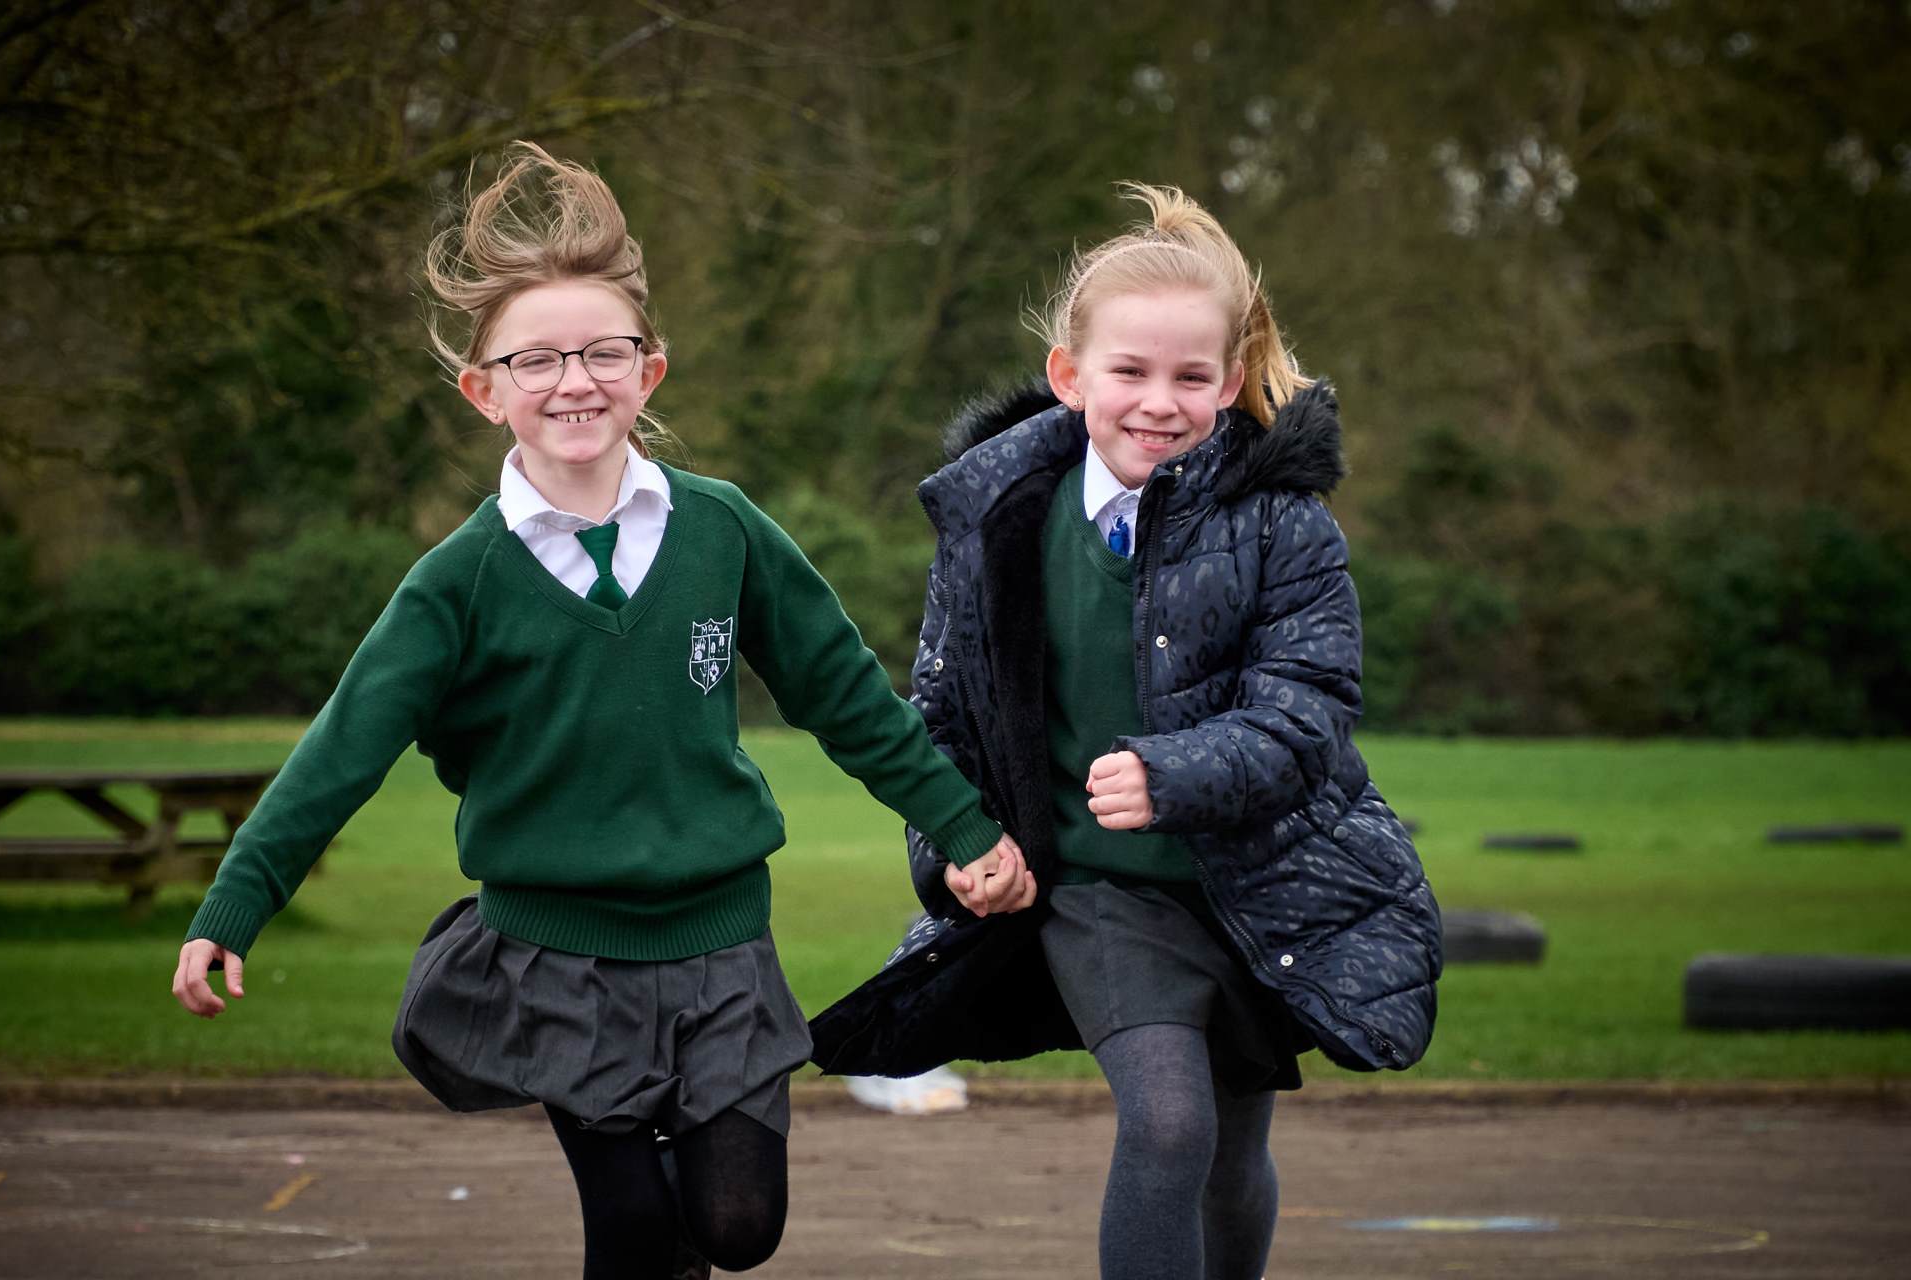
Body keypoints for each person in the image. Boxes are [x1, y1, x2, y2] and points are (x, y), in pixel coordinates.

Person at [169, 141, 1033, 1280]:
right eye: (536, 360)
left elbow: (848, 698)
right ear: (486, 391)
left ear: (650, 371)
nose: (575, 379)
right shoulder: (456, 581)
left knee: (737, 1224)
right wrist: (234, 902)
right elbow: (342, 750)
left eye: (604, 352)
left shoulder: (724, 529)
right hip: (554, 958)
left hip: (721, 939)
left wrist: (967, 828)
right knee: (631, 1234)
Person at [811, 184, 1442, 1279]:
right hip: (1097, 890)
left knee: (1235, 1151)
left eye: (1191, 377)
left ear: (1230, 383)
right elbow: (947, 714)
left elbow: (1310, 712)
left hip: (1253, 879)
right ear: (1070, 376)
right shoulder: (996, 517)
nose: (1160, 401)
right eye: (1130, 372)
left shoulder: (1287, 523)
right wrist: (954, 847)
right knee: (1166, 1123)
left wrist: (1175, 771)